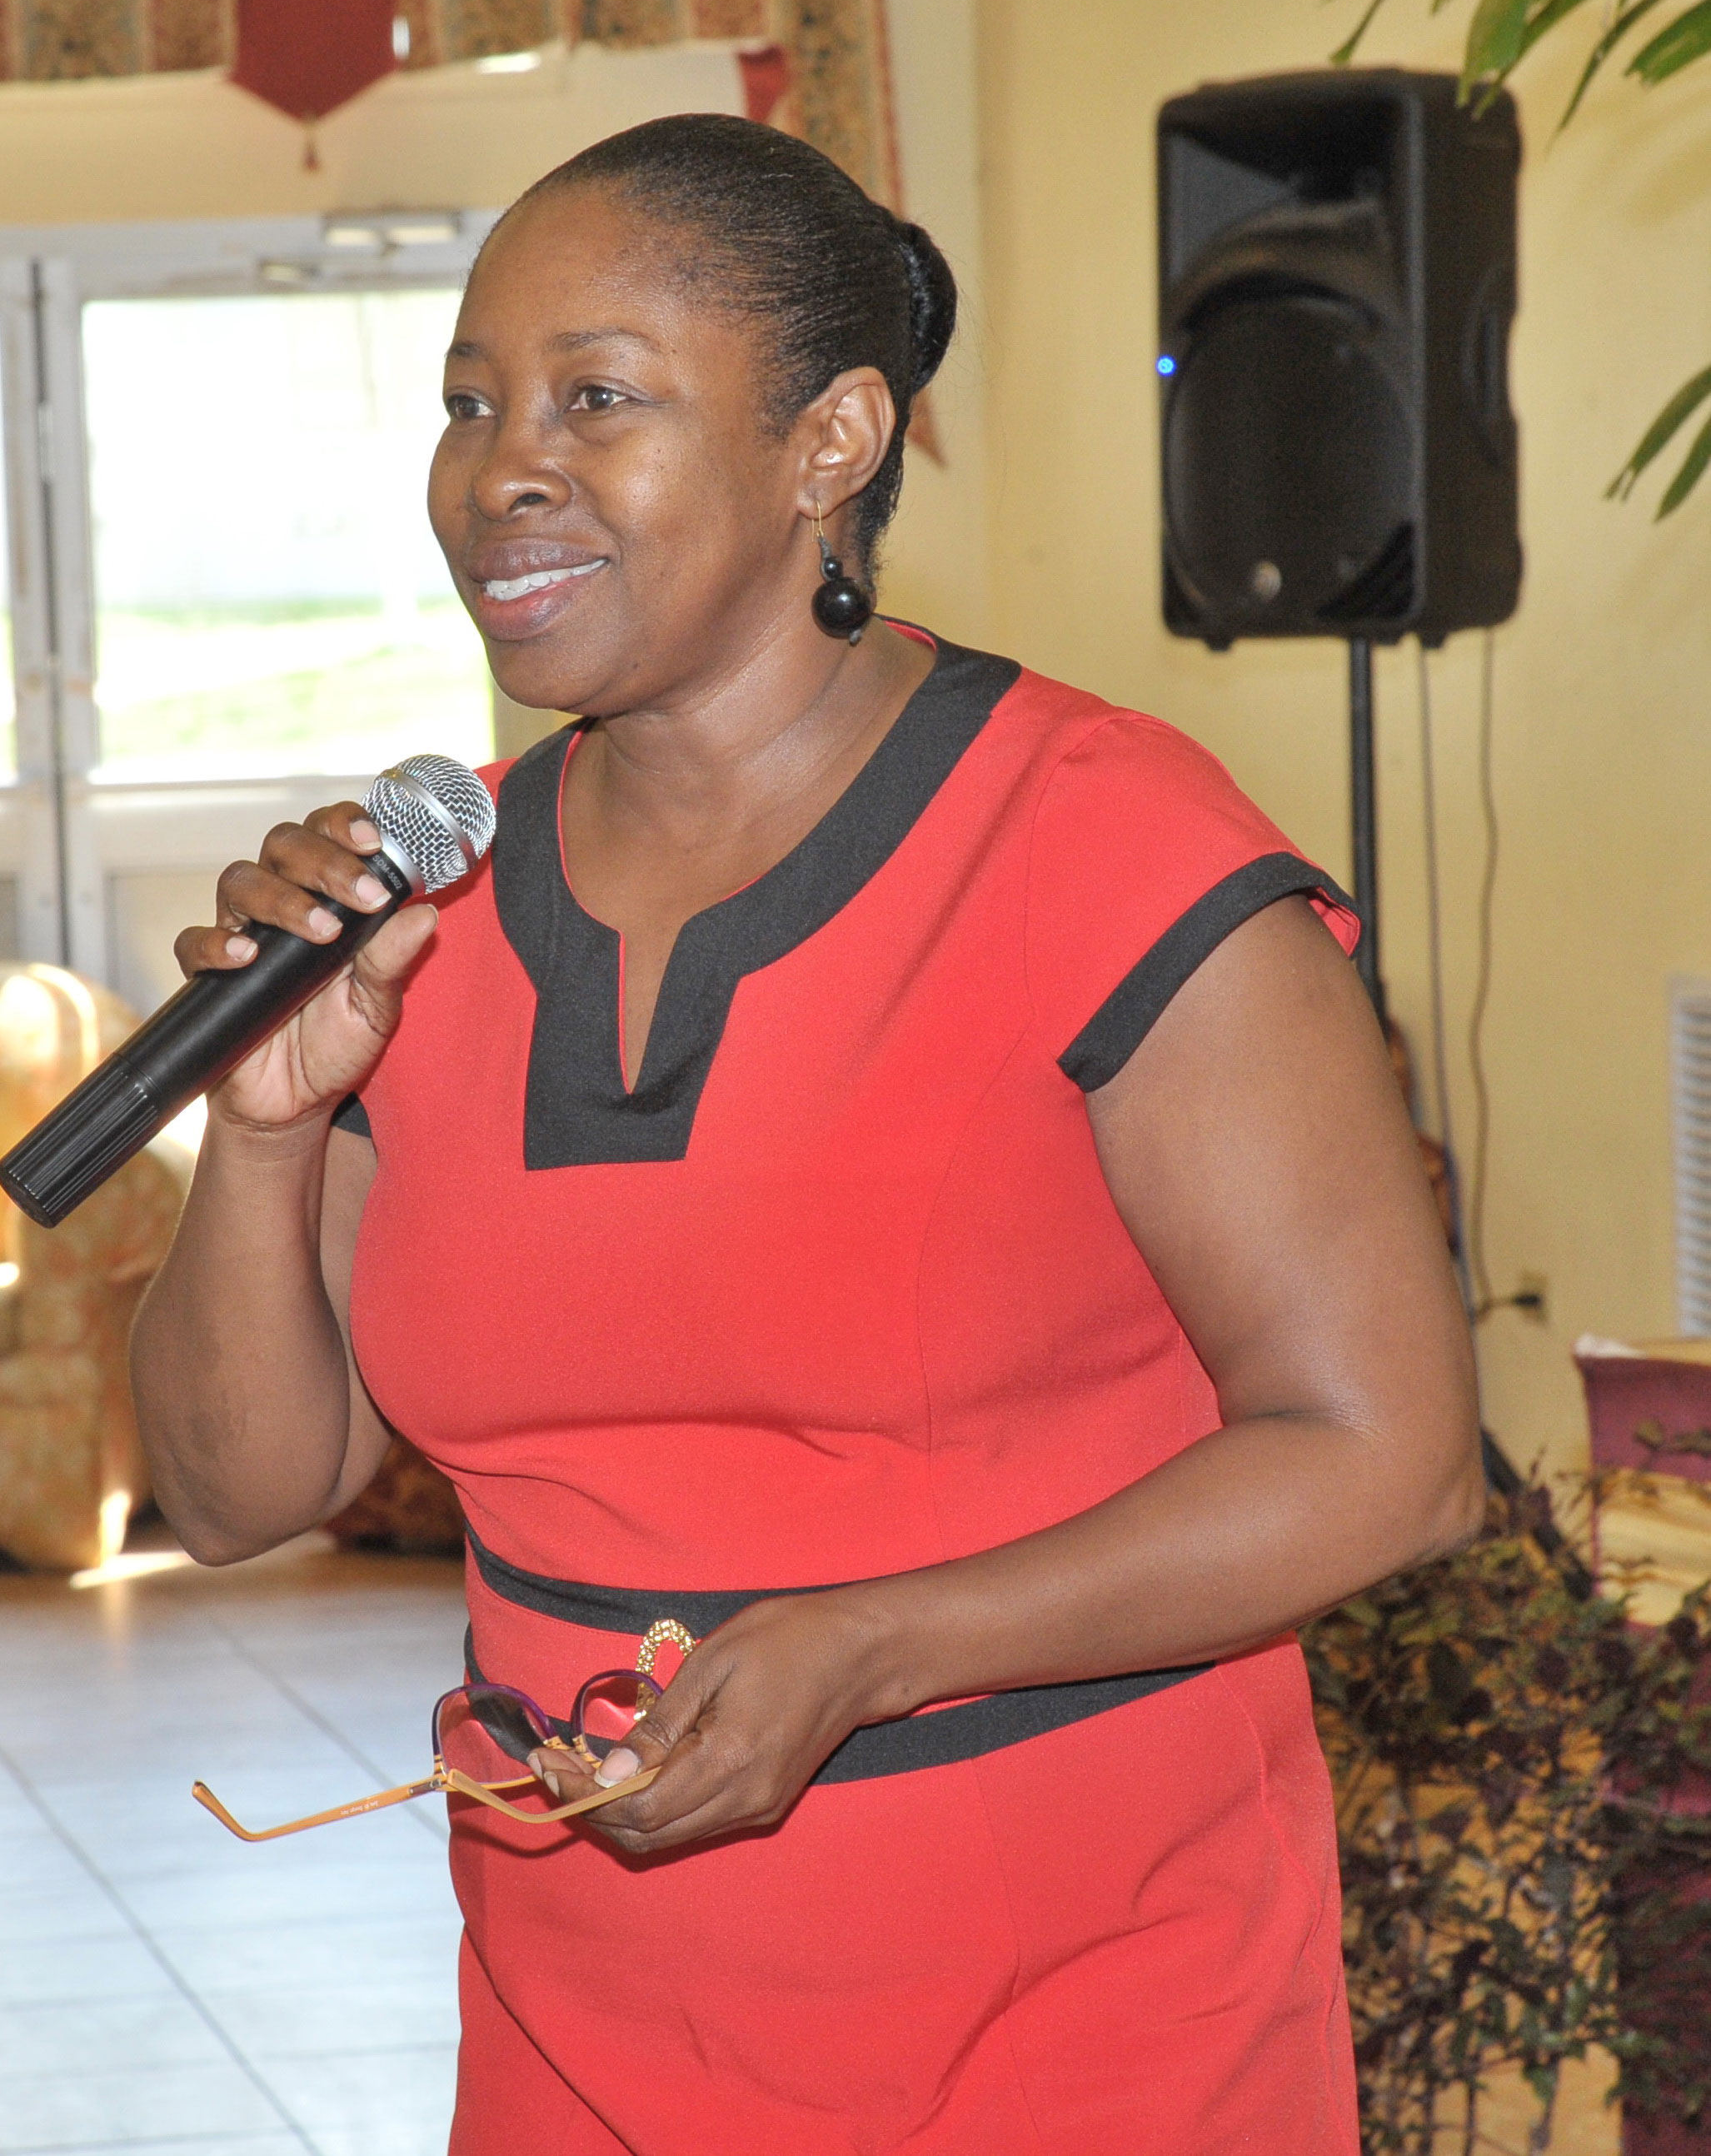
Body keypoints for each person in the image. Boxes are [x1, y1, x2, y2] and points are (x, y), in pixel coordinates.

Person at [131, 112, 1481, 2155]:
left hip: (1075, 2024)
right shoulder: (429, 914)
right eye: (471, 404)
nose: (503, 469)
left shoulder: (1106, 844)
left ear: (830, 441)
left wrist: (873, 1644)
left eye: (597, 398)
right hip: (576, 2035)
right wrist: (261, 1127)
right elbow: (234, 1493)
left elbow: (1387, 1457)